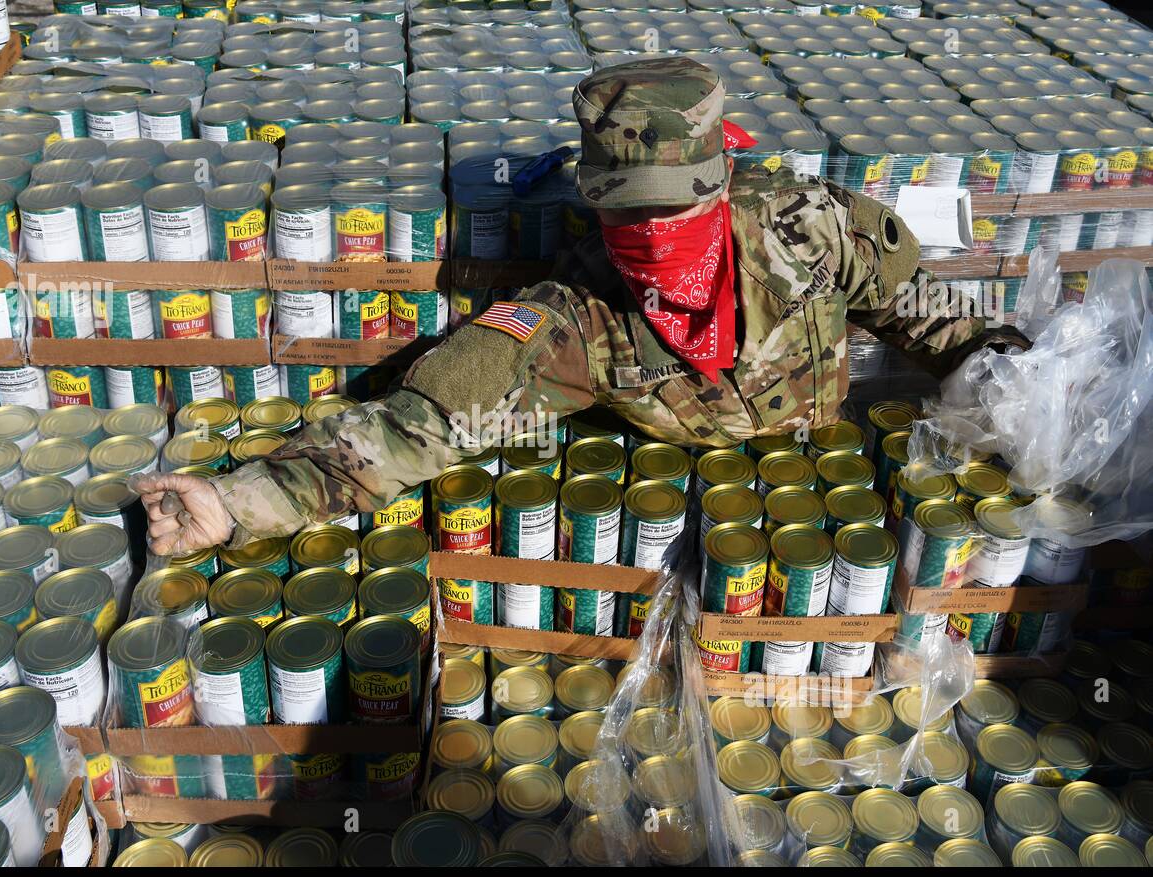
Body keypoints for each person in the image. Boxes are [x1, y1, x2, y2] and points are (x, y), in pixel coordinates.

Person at [139, 56, 1027, 556]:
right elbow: (414, 432)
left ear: (721, 190)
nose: (650, 240)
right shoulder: (573, 320)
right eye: (624, 218)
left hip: (840, 503)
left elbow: (930, 316)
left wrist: (1030, 390)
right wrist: (243, 501)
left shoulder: (811, 227)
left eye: (671, 214)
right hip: (691, 533)